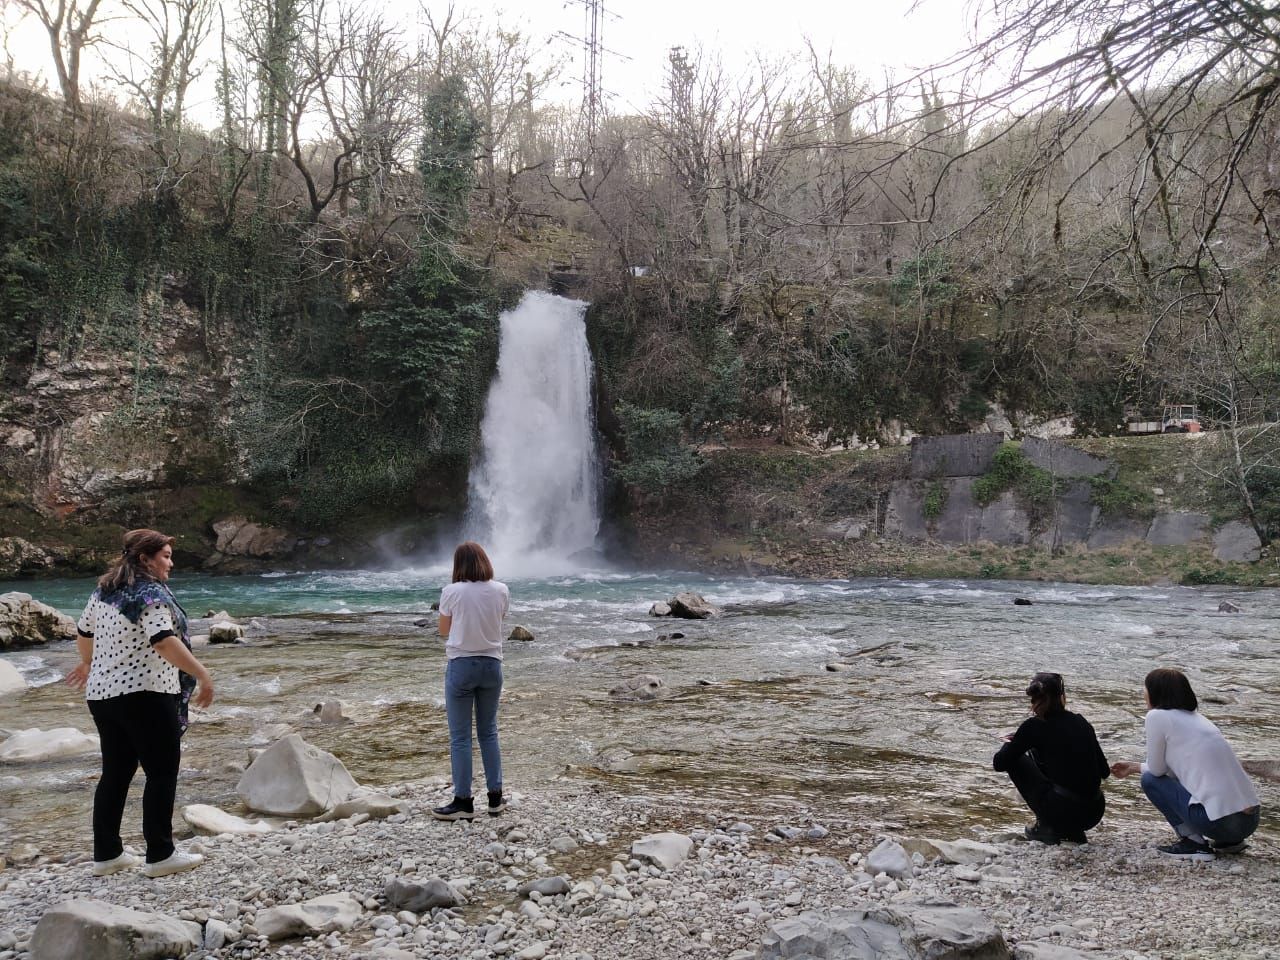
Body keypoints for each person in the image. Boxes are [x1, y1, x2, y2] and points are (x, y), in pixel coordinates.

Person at [66, 529, 214, 877]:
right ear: (145, 558)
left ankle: (107, 854)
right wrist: (203, 674)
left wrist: (88, 664)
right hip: (145, 694)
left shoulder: (106, 590)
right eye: (165, 555)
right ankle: (161, 855)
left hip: (103, 696)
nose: (171, 562)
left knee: (116, 774)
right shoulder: (149, 594)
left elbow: (84, 633)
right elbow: (162, 640)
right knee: (162, 772)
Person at [1110, 667, 1261, 861]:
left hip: (1222, 824)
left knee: (1149, 780)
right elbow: (1175, 770)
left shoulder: (1157, 716)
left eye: (1145, 689)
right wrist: (1133, 766)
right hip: (1250, 822)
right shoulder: (1200, 720)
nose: (1143, 693)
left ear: (1156, 692)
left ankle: (1194, 843)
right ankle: (1230, 843)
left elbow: (1157, 771)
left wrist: (1134, 768)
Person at [432, 541, 510, 822]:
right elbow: (499, 619)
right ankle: (496, 798)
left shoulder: (451, 592)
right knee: (489, 732)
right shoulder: (501, 589)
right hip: (492, 665)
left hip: (462, 665)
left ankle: (463, 801)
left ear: (458, 565)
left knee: (461, 737)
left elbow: (443, 631)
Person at [992, 672, 1110, 844]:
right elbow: (1104, 772)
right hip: (1094, 811)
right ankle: (1071, 831)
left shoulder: (1033, 726)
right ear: (1062, 697)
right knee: (1042, 755)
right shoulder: (1081, 722)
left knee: (1015, 760)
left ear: (1034, 699)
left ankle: (1048, 827)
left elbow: (999, 763)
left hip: (1062, 810)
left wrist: (1013, 742)